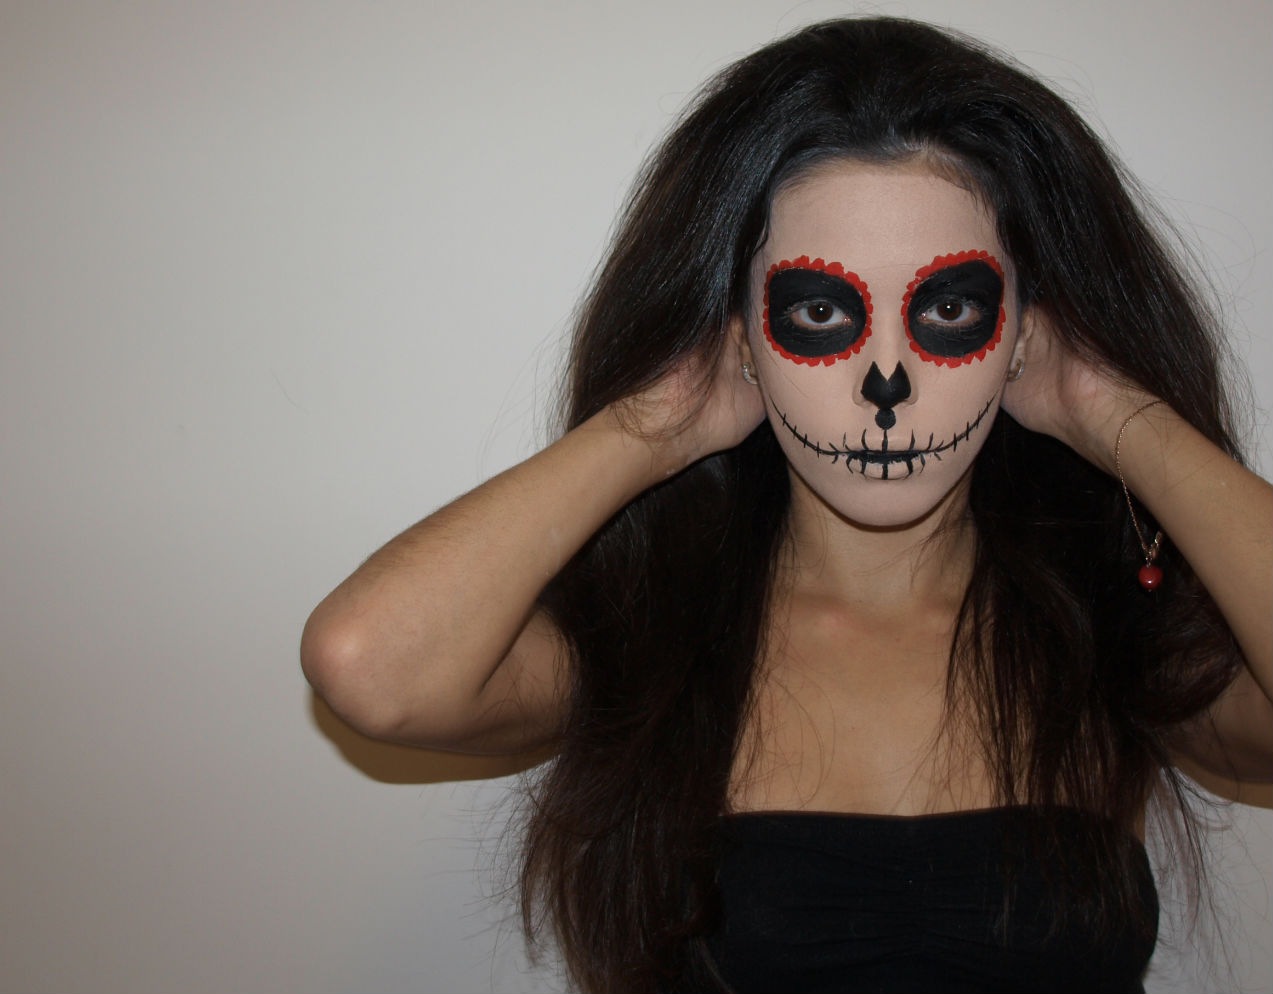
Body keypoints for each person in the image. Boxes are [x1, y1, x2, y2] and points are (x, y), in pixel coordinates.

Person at [301, 17, 1272, 994]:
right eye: (818, 312)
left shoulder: (1106, 623)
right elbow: (370, 668)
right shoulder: (653, 641)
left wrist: (1115, 412)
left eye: (947, 310)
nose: (885, 383)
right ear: (741, 339)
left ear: (1023, 331)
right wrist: (651, 425)